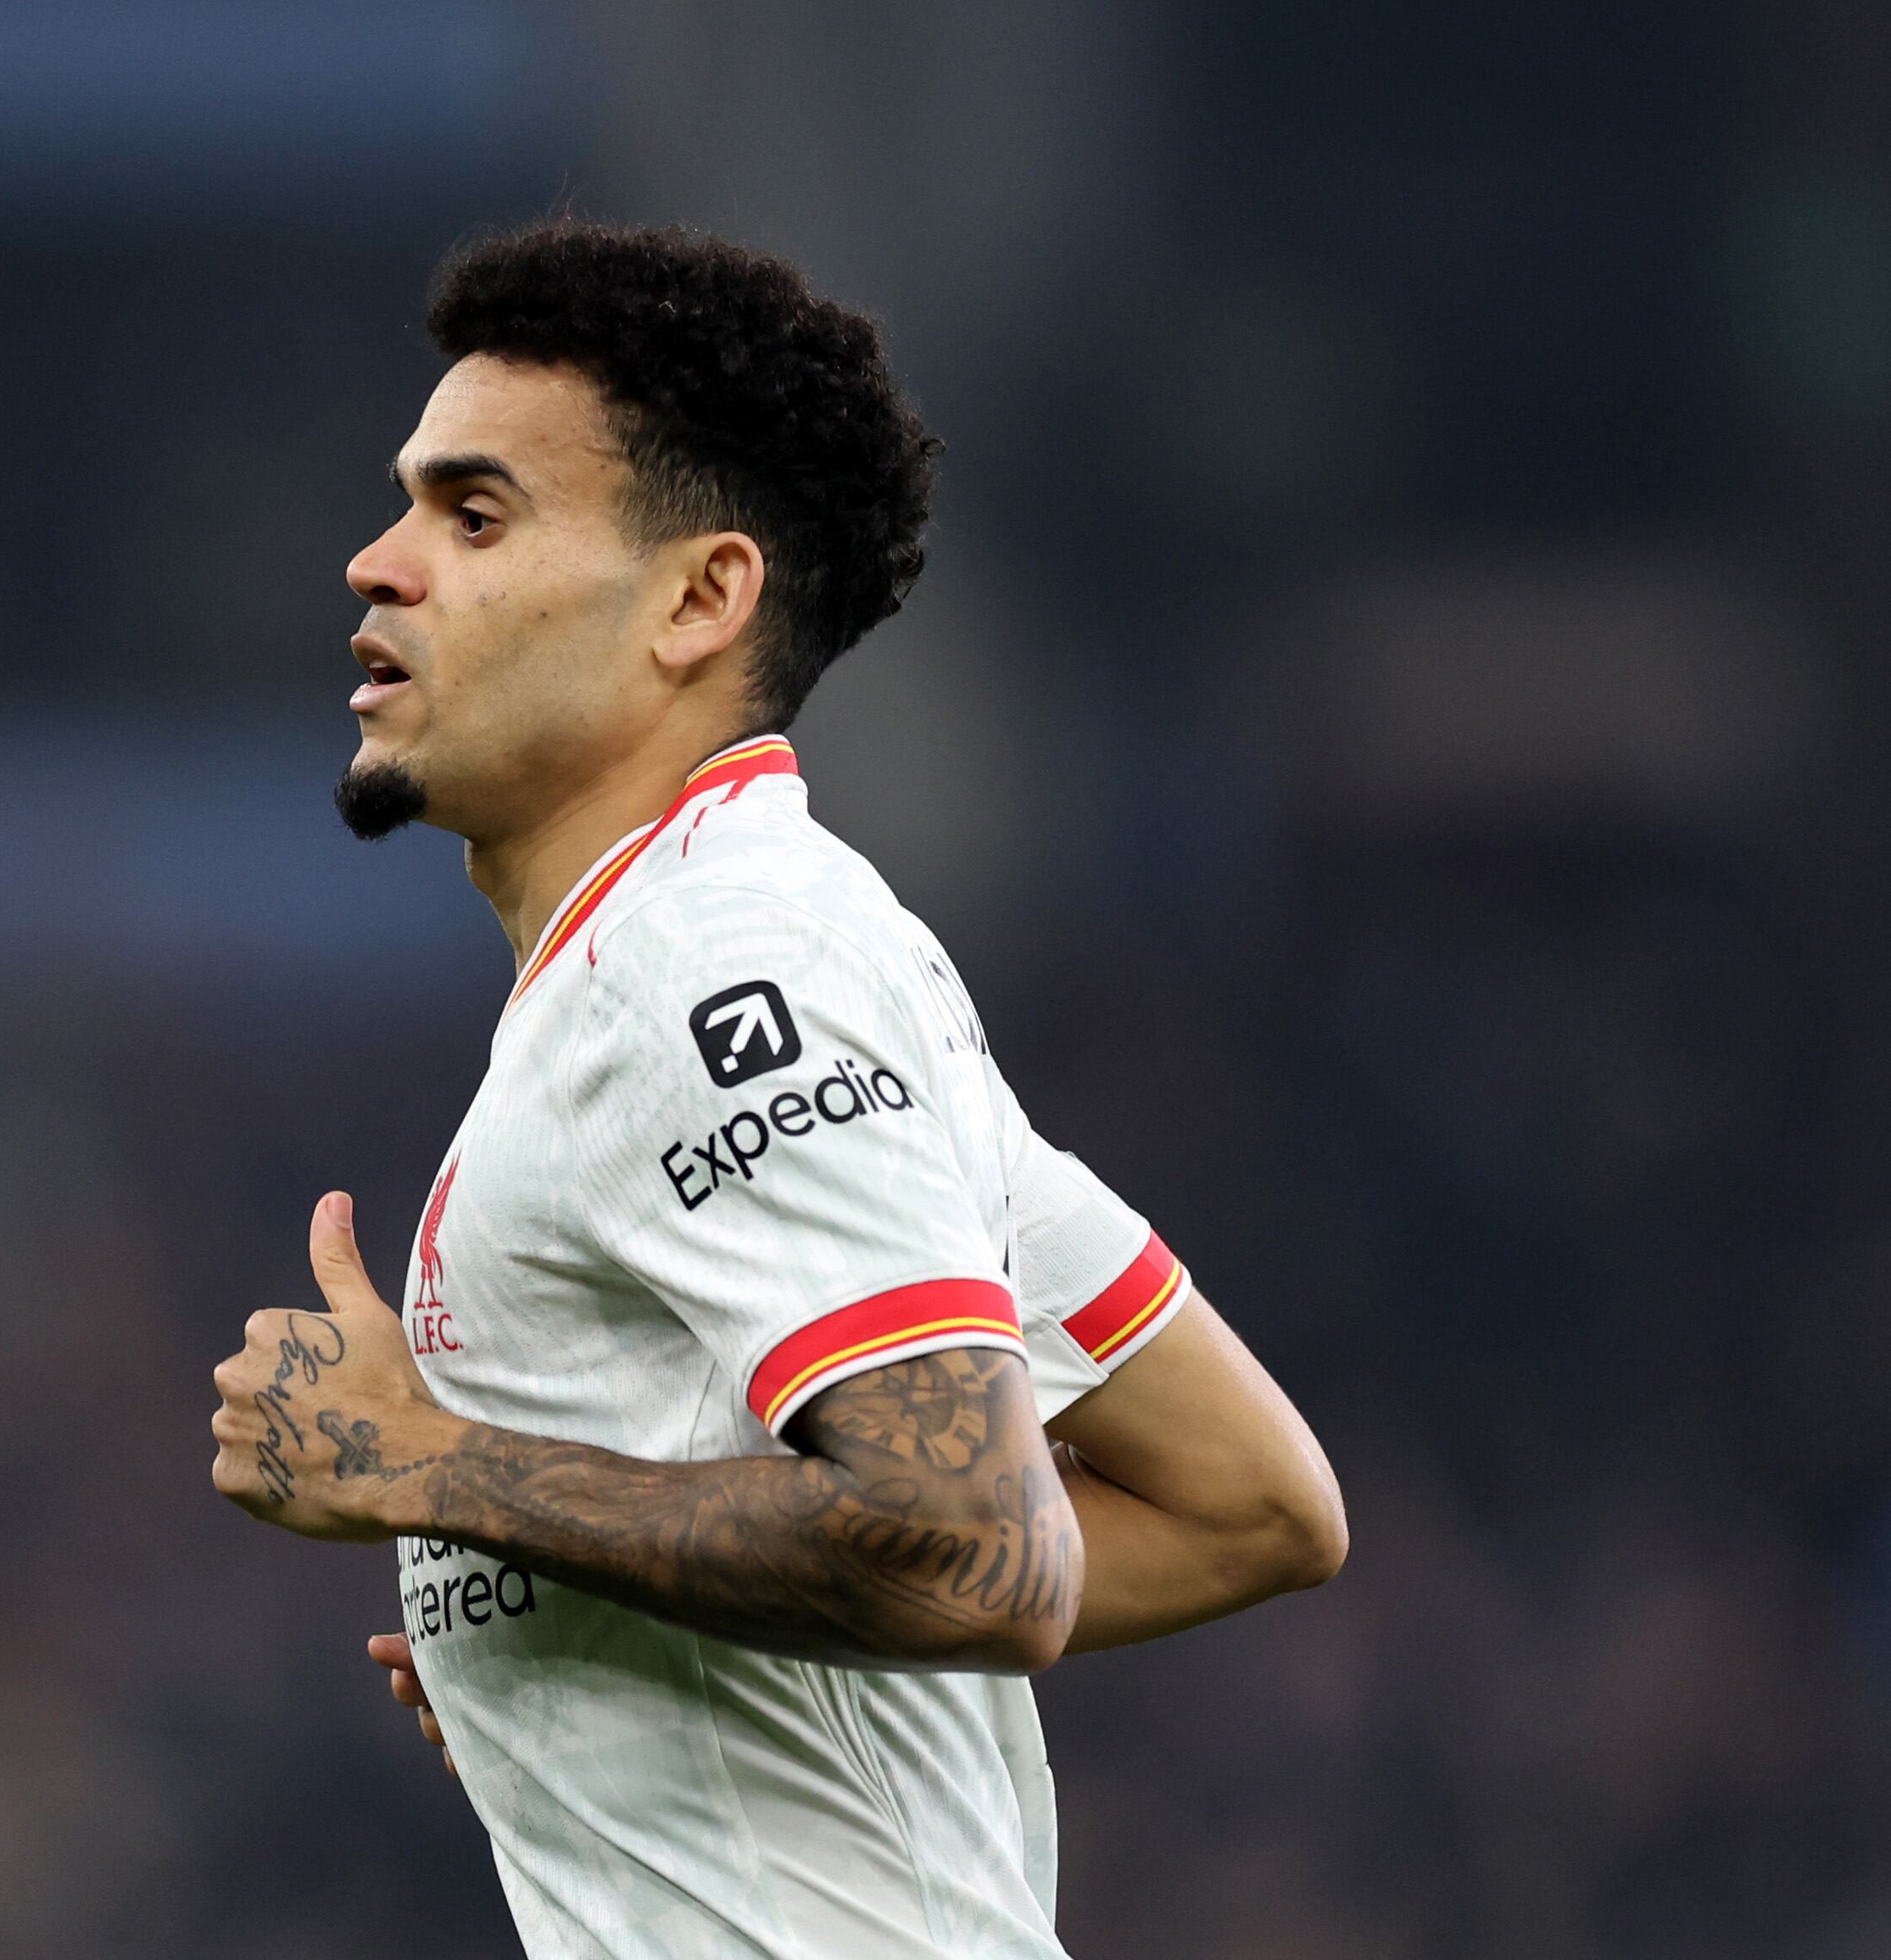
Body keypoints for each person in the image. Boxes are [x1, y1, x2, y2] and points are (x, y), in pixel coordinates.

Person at [207, 220, 1347, 1960]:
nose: (377, 563)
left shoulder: (716, 971)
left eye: (474, 512)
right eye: (404, 504)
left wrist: (436, 1465)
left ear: (696, 598)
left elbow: (969, 1541)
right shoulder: (766, 953)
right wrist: (602, 1618)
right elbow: (1248, 1503)